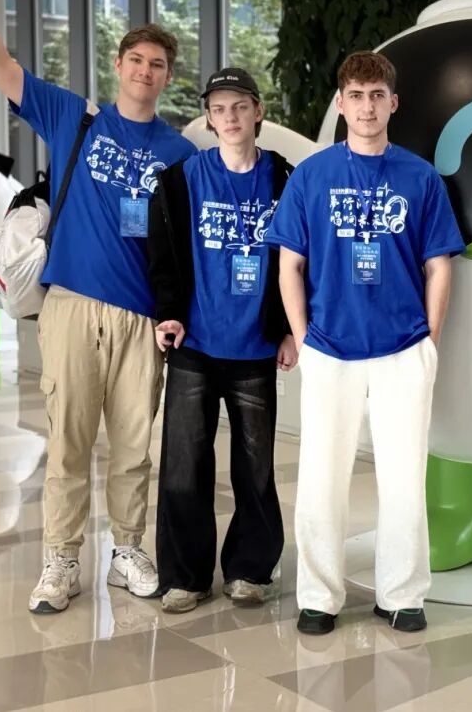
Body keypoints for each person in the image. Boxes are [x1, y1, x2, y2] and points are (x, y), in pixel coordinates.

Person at [0, 0, 196, 613]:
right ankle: (61, 559)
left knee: (135, 446)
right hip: (73, 304)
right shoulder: (74, 118)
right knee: (69, 443)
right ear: (119, 65)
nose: (145, 71)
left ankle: (128, 551)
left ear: (168, 77)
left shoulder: (179, 151)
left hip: (141, 318)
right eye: (136, 60)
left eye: (158, 64)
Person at [265, 51, 465, 635]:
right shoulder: (312, 176)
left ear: (393, 103)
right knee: (321, 476)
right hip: (330, 348)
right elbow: (289, 265)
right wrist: (305, 339)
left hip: (403, 348)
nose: (367, 106)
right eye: (356, 95)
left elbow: (439, 266)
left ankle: (402, 594)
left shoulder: (420, 178)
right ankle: (319, 596)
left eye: (377, 95)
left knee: (404, 477)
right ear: (342, 103)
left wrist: (429, 341)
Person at [147, 67, 296, 613]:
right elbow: (161, 254)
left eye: (239, 107)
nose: (230, 117)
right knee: (184, 465)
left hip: (255, 346)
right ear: (209, 119)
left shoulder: (285, 179)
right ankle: (185, 576)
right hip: (195, 345)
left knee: (255, 467)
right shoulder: (182, 179)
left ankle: (250, 569)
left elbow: (298, 259)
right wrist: (168, 313)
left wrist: (288, 328)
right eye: (219, 109)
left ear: (258, 112)